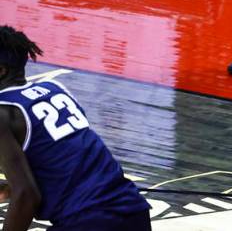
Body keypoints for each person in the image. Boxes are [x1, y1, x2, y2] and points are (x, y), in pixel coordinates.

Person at [0, 26, 152, 231]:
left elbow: (27, 196)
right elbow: (69, 158)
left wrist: (18, 189)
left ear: (1, 70)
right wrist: (11, 187)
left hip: (89, 220)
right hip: (133, 210)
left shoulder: (4, 113)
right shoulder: (54, 89)